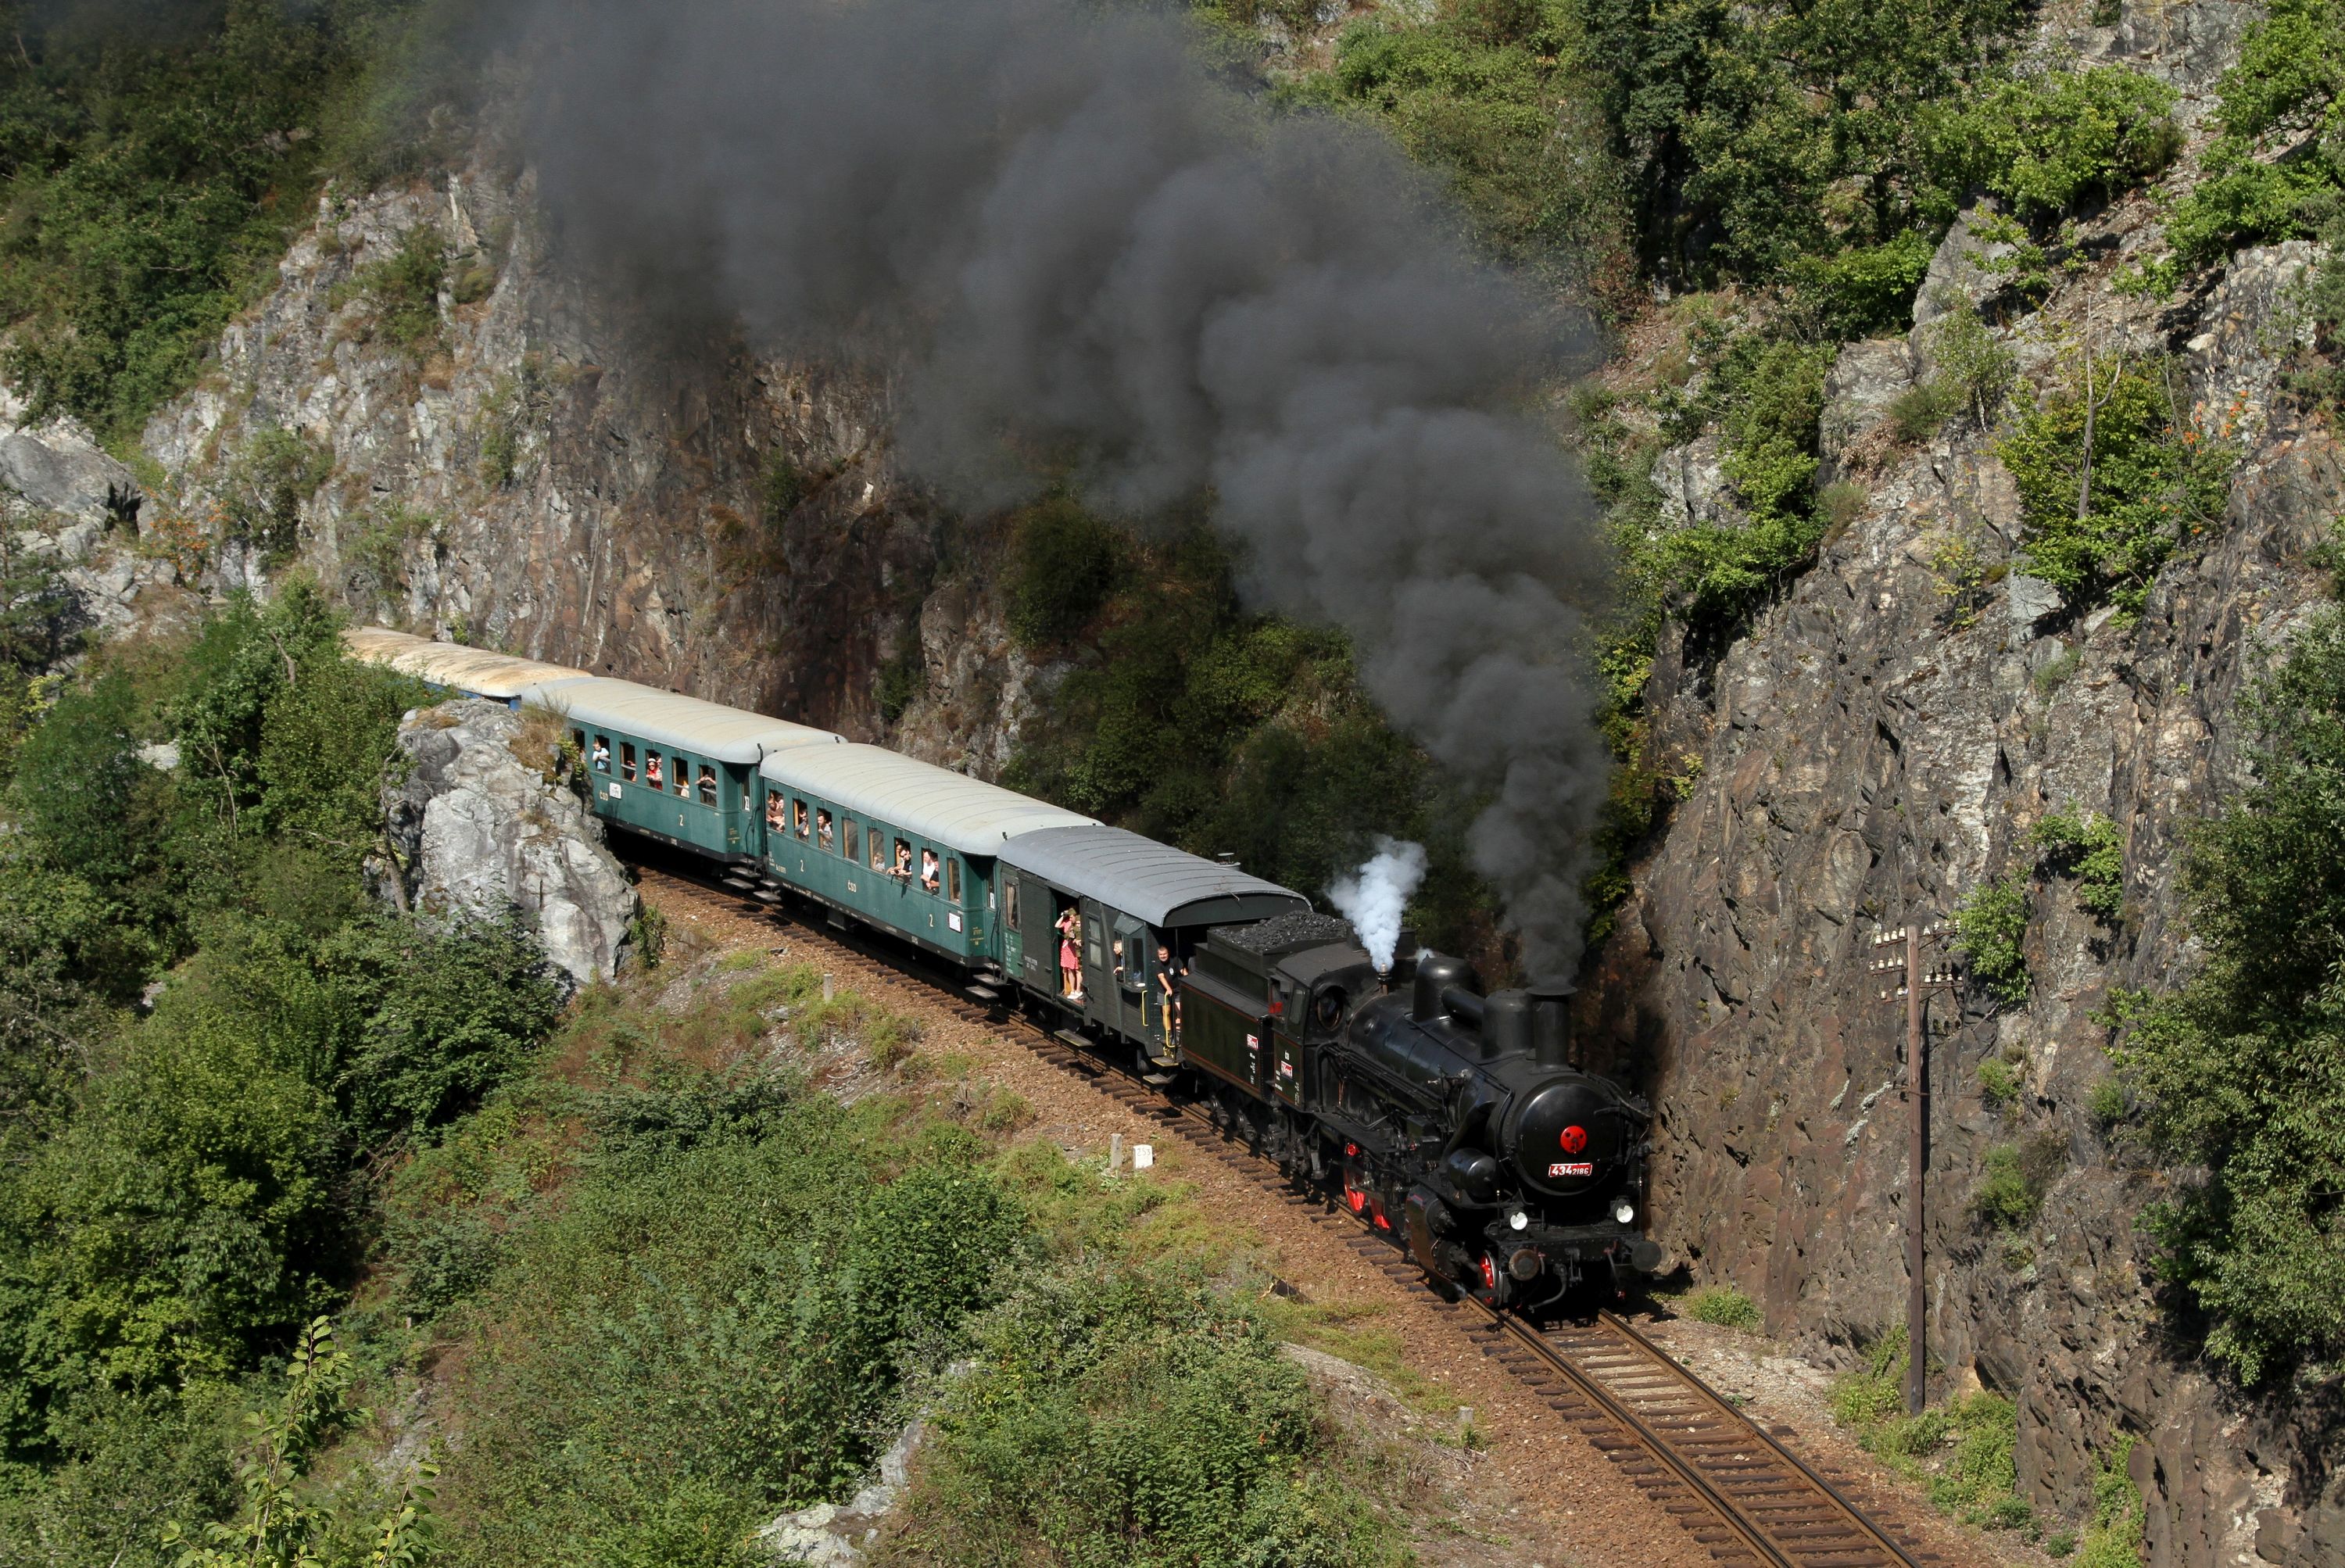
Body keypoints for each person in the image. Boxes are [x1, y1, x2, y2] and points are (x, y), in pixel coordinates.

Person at [1155, 942, 1182, 1040]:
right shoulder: (1158, 964)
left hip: (1177, 990)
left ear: (1168, 953)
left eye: (1164, 954)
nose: (1163, 956)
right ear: (1158, 955)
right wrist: (1168, 988)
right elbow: (1161, 977)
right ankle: (1169, 1035)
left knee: (1180, 1011)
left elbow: (1183, 971)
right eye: (1161, 955)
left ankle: (1178, 1034)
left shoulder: (1174, 960)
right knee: (1166, 1012)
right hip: (1163, 991)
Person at [1056, 906, 1083, 1001]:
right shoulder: (1068, 923)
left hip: (1074, 950)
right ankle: (1072, 990)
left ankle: (1078, 990)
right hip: (1066, 949)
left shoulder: (1078, 926)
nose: (1070, 918)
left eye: (1071, 917)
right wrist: (1064, 915)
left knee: (1077, 969)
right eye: (1070, 917)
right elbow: (1057, 925)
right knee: (1070, 970)